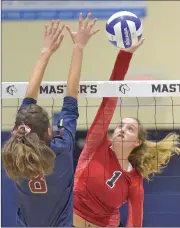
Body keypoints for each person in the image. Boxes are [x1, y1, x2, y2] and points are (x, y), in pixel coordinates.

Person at [2, 13, 99, 227]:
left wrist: (48, 52)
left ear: (18, 129)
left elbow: (66, 99)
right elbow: (68, 99)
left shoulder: (13, 153)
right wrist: (77, 48)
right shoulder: (60, 148)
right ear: (49, 132)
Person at [73, 40, 180, 227]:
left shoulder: (134, 180)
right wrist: (125, 55)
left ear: (137, 142)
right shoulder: (96, 144)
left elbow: (135, 221)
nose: (122, 129)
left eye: (130, 129)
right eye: (120, 126)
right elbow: (110, 98)